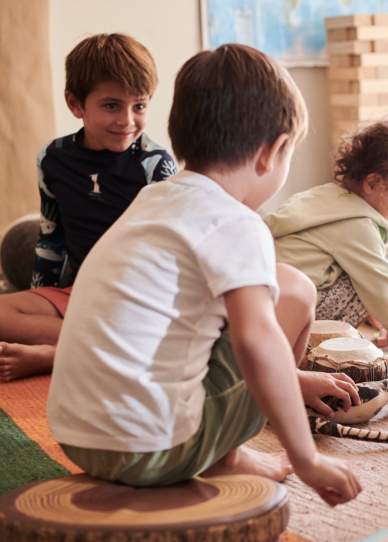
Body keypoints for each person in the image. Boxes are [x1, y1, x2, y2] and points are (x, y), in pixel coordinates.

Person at [47, 43, 362, 506]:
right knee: (292, 292)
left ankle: (236, 437)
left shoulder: (154, 200)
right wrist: (307, 458)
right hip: (156, 448)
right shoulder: (237, 222)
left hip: (78, 438)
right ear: (272, 152)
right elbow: (256, 341)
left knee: (248, 303)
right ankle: (224, 456)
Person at [0, 33, 176, 382]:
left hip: (135, 299)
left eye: (139, 106)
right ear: (76, 104)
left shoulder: (156, 165)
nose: (127, 120)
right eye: (111, 105)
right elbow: (51, 239)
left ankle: (55, 353)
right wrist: (39, 296)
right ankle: (92, 344)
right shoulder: (53, 158)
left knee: (154, 330)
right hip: (78, 292)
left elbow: (167, 255)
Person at [265, 120, 388, 346]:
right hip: (291, 309)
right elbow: (378, 281)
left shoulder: (324, 197)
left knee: (356, 273)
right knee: (364, 279)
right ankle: (316, 341)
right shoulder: (356, 223)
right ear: (372, 183)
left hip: (269, 298)